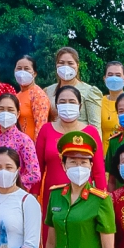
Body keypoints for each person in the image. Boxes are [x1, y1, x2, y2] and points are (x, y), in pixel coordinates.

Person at [35, 84, 107, 226]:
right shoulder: (46, 130)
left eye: (72, 102)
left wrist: (102, 198)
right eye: (62, 102)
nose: (67, 105)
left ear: (79, 106)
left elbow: (98, 170)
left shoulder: (90, 132)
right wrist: (33, 195)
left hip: (84, 194)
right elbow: (38, 168)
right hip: (53, 195)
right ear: (56, 105)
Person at [0, 90, 40, 193]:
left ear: (18, 113)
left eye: (10, 110)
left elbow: (35, 174)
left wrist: (12, 181)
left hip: (17, 193)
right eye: (1, 109)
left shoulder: (24, 140)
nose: (5, 113)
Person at [43, 47, 102, 130]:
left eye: (70, 63)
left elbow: (95, 127)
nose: (65, 67)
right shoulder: (48, 91)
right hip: (55, 139)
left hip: (80, 139)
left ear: (77, 66)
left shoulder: (89, 92)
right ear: (56, 65)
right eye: (61, 63)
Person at [11, 56, 50, 142]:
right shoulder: (16, 96)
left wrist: (35, 150)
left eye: (26, 69)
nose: (22, 72)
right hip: (17, 145)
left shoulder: (38, 95)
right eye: (19, 68)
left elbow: (40, 127)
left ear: (34, 73)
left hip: (31, 148)